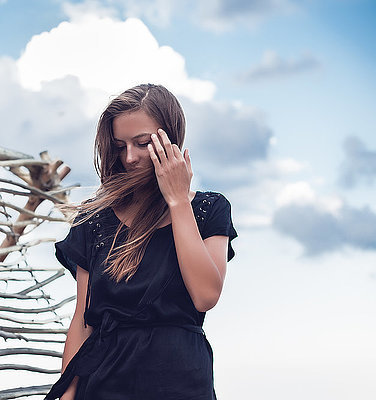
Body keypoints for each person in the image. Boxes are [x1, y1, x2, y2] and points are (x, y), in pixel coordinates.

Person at [45, 83, 237, 400]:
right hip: (103, 381)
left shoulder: (208, 209)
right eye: (119, 146)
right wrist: (67, 396)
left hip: (178, 382)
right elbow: (82, 319)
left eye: (142, 143)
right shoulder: (95, 220)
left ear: (171, 139)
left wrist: (177, 202)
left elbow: (205, 296)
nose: (129, 157)